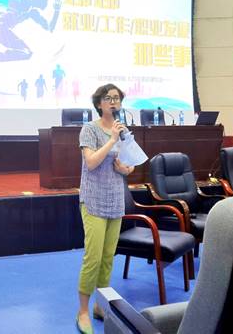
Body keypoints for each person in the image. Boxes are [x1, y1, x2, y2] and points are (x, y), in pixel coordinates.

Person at [76, 83, 135, 334]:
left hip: (115, 199)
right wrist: (111, 140)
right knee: (93, 257)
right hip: (93, 199)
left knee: (108, 257)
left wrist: (125, 169)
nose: (114, 102)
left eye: (117, 98)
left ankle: (100, 305)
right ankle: (82, 311)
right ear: (99, 104)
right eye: (108, 98)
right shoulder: (89, 129)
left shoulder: (123, 130)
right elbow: (90, 162)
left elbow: (130, 165)